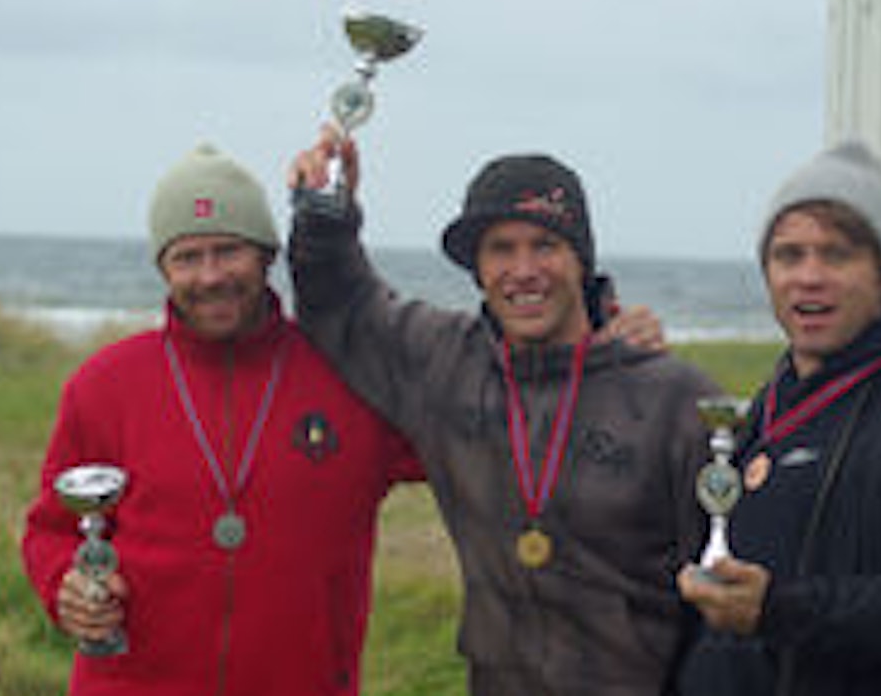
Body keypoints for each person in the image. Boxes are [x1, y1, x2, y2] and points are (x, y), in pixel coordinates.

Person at [287, 127, 720, 696]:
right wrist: (323, 212)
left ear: (581, 259)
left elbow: (723, 601)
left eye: (545, 245)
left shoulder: (675, 400)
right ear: (477, 267)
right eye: (500, 248)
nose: (523, 270)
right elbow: (344, 307)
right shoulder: (447, 363)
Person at [21, 143, 424, 695]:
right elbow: (52, 529)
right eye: (187, 257)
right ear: (163, 268)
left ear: (266, 255)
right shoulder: (103, 385)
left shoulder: (350, 377)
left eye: (229, 251)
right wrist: (63, 587)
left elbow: (476, 450)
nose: (210, 276)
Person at [675, 140, 881, 695]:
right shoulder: (768, 413)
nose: (809, 276)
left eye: (836, 254)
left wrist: (778, 609)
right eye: (789, 255)